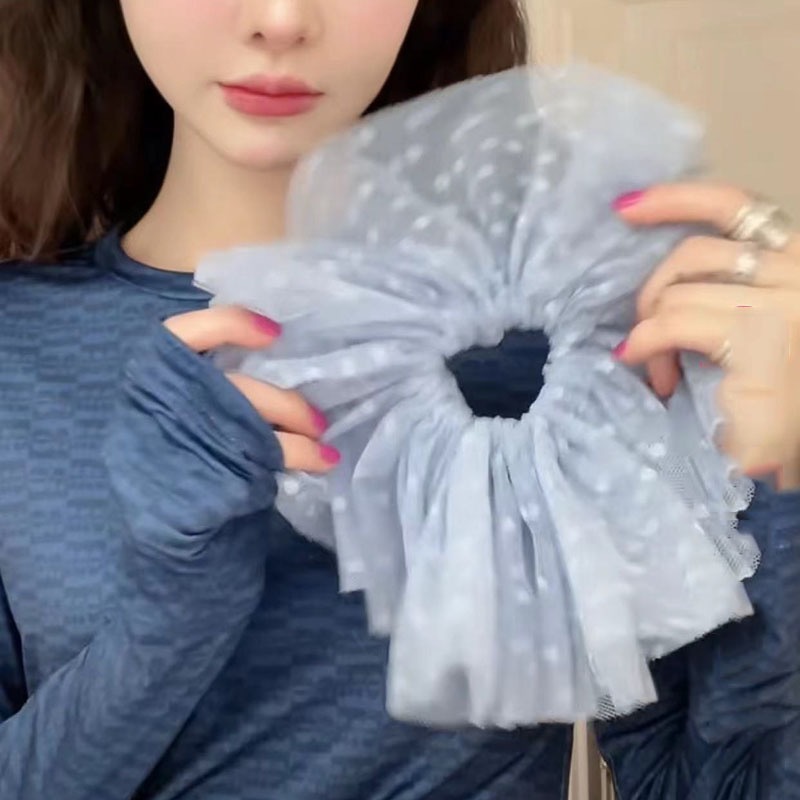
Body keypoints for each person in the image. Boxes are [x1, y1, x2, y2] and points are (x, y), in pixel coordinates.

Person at [0, 1, 797, 798]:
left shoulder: (585, 350)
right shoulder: (15, 353)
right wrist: (168, 622)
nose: (280, 20)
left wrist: (782, 474)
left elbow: (722, 784)